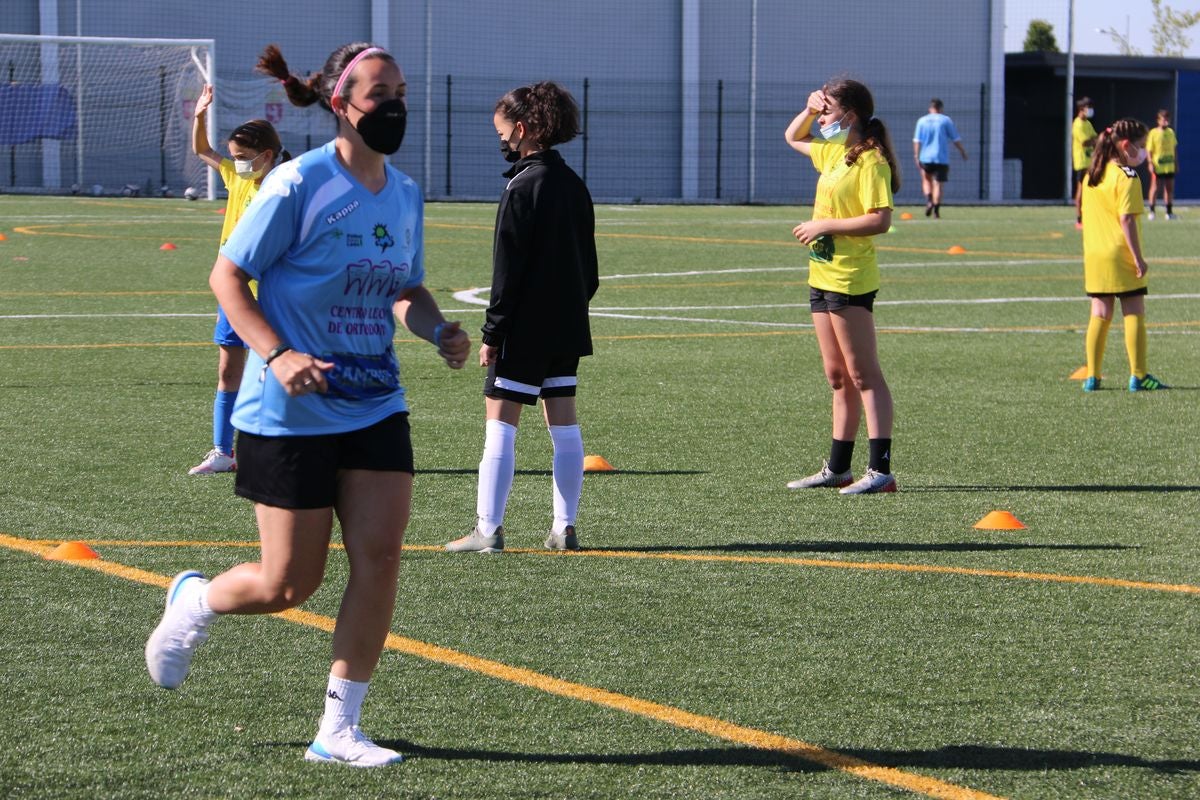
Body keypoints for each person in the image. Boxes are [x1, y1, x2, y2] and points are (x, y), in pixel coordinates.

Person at [145, 41, 471, 767]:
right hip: (288, 409)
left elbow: (405, 290)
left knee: (380, 558)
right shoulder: (297, 184)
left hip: (376, 402)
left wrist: (437, 328)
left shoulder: (407, 193)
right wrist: (280, 354)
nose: (394, 105)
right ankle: (196, 601)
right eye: (378, 92)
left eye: (400, 91)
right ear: (340, 104)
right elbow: (228, 277)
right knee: (289, 583)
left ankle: (339, 729)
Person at [444, 81, 598, 554]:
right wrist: (570, 309)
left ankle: (487, 530)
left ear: (524, 129)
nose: (501, 139)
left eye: (503, 130)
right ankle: (564, 527)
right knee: (565, 424)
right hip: (567, 325)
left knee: (500, 424)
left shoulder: (521, 186)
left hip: (524, 329)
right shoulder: (574, 183)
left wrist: (494, 332)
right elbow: (589, 270)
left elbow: (506, 271)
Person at [783, 78, 899, 494]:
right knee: (837, 377)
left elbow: (880, 219)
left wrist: (824, 224)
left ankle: (881, 471)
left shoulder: (872, 161)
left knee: (864, 375)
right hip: (821, 274)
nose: (822, 120)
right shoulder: (833, 150)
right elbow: (792, 136)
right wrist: (811, 108)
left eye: (829, 112)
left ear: (850, 115)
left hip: (850, 277)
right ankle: (837, 469)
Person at [188, 86, 289, 475]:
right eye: (233, 157)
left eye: (243, 158)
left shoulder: (287, 185)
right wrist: (199, 117)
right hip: (234, 291)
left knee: (277, 369)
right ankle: (222, 451)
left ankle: (282, 449)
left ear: (267, 155)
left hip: (272, 292)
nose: (235, 164)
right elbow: (202, 150)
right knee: (229, 368)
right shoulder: (238, 176)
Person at [1080, 117, 1168, 393]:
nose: (1144, 152)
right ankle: (1138, 376)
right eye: (1141, 146)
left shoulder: (1093, 174)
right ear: (1126, 145)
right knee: (1134, 311)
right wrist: (1138, 258)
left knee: (1100, 312)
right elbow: (1126, 220)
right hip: (1120, 254)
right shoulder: (1127, 177)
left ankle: (1092, 377)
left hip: (1094, 255)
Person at [912, 98, 966, 218]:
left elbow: (917, 140)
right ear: (941, 109)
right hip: (941, 158)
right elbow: (955, 139)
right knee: (938, 185)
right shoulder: (946, 120)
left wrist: (916, 155)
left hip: (925, 157)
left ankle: (929, 200)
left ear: (930, 108)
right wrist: (963, 152)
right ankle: (936, 210)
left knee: (926, 180)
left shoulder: (922, 121)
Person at [1146, 109, 1178, 221]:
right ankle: (1151, 211)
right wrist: (1150, 163)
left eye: (1167, 119)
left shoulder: (1171, 132)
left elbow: (1174, 149)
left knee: (1169, 188)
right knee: (1155, 188)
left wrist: (1176, 163)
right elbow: (1149, 150)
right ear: (1158, 120)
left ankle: (1169, 212)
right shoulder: (1153, 133)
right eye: (1163, 119)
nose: (1165, 121)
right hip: (1158, 166)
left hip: (1169, 165)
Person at [1072, 97, 1098, 230]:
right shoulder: (1078, 124)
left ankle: (1089, 216)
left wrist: (1094, 140)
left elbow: (1095, 137)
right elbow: (1085, 142)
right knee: (1081, 190)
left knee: (1091, 189)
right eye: (1088, 107)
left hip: (1090, 161)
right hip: (1082, 162)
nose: (1091, 110)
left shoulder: (1087, 123)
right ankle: (1079, 219)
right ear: (1081, 109)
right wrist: (1093, 140)